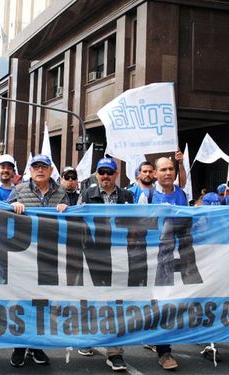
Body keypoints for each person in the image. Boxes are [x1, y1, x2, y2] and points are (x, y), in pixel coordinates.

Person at [7, 154, 68, 367]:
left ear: (51, 170)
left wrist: (65, 210)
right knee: (22, 302)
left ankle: (36, 347)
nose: (39, 170)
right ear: (30, 171)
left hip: (48, 256)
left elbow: (70, 225)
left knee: (43, 303)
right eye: (35, 166)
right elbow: (2, 215)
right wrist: (13, 207)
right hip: (24, 256)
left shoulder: (61, 193)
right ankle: (19, 347)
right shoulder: (19, 190)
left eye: (44, 166)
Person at [75, 158, 131, 371]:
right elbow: (77, 220)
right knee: (92, 299)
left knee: (115, 302)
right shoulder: (87, 194)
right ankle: (90, 337)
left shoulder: (127, 196)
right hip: (93, 253)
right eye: (102, 172)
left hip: (118, 255)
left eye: (109, 172)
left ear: (116, 174)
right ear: (96, 174)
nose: (105, 176)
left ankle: (114, 351)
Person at [145, 156, 187, 370]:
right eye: (163, 169)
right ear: (155, 174)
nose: (168, 173)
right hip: (152, 258)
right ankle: (160, 347)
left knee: (167, 302)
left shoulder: (181, 194)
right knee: (153, 302)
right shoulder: (147, 196)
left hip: (176, 257)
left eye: (171, 169)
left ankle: (163, 348)